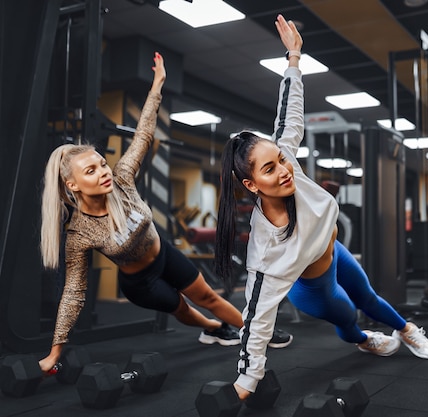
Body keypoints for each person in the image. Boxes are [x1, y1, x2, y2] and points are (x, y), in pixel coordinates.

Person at [216, 14, 428, 400]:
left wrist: (294, 57)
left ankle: (407, 329)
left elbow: (290, 114)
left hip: (333, 251)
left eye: (282, 160)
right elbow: (256, 318)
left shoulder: (287, 161)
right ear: (251, 185)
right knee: (349, 318)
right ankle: (364, 339)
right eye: (270, 169)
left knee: (369, 296)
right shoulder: (266, 250)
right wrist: (247, 380)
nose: (285, 170)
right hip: (311, 284)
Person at [38, 52, 292, 374]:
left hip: (165, 254)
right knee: (185, 309)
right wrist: (55, 349)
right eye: (91, 170)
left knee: (209, 296)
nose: (103, 170)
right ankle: (213, 329)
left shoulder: (122, 180)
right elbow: (74, 292)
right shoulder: (79, 233)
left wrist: (157, 86)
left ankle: (259, 333)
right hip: (140, 283)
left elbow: (143, 134)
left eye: (102, 163)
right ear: (73, 185)